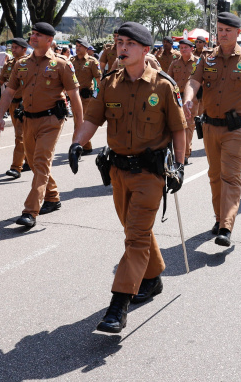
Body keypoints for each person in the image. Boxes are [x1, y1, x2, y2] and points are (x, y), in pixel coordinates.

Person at [68, 21, 186, 334]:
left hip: (149, 173)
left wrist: (180, 166)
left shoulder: (163, 85)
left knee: (134, 235)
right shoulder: (109, 83)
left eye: (129, 43)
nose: (122, 47)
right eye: (119, 42)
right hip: (118, 172)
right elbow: (93, 118)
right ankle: (154, 277)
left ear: (145, 50)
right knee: (133, 228)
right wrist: (78, 143)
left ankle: (118, 305)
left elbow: (178, 129)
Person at [183, 12, 241, 245]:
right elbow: (194, 81)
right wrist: (188, 99)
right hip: (211, 126)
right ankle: (219, 217)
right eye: (220, 30)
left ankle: (226, 226)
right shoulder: (207, 58)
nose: (223, 34)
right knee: (214, 176)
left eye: (228, 30)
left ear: (237, 33)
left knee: (230, 176)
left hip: (237, 128)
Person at [0, 23, 84, 227]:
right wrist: (0, 117)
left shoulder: (62, 64)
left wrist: (78, 135)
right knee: (35, 163)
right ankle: (52, 197)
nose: (33, 37)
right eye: (32, 34)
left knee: (41, 162)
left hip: (51, 120)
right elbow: (9, 91)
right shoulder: (21, 63)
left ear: (49, 40)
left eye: (38, 35)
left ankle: (30, 211)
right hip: (27, 119)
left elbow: (74, 97)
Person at [0, 38, 31, 178]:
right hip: (12, 103)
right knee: (21, 133)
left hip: (24, 104)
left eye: (16, 47)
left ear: (24, 49)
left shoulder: (29, 63)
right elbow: (1, 79)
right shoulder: (9, 64)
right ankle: (28, 161)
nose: (13, 49)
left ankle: (16, 167)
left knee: (20, 135)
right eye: (12, 47)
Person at [167, 38, 199, 164]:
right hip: (177, 98)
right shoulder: (175, 63)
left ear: (192, 49)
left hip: (192, 99)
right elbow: (168, 80)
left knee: (189, 125)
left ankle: (185, 154)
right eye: (181, 48)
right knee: (177, 125)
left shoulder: (198, 62)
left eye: (186, 47)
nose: (183, 50)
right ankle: (180, 152)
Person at [70, 37, 103, 154]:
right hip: (75, 97)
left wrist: (97, 95)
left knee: (82, 122)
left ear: (86, 48)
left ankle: (78, 146)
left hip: (86, 97)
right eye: (76, 46)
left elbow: (99, 81)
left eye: (80, 46)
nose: (77, 48)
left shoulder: (92, 61)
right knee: (77, 121)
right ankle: (86, 146)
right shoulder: (71, 61)